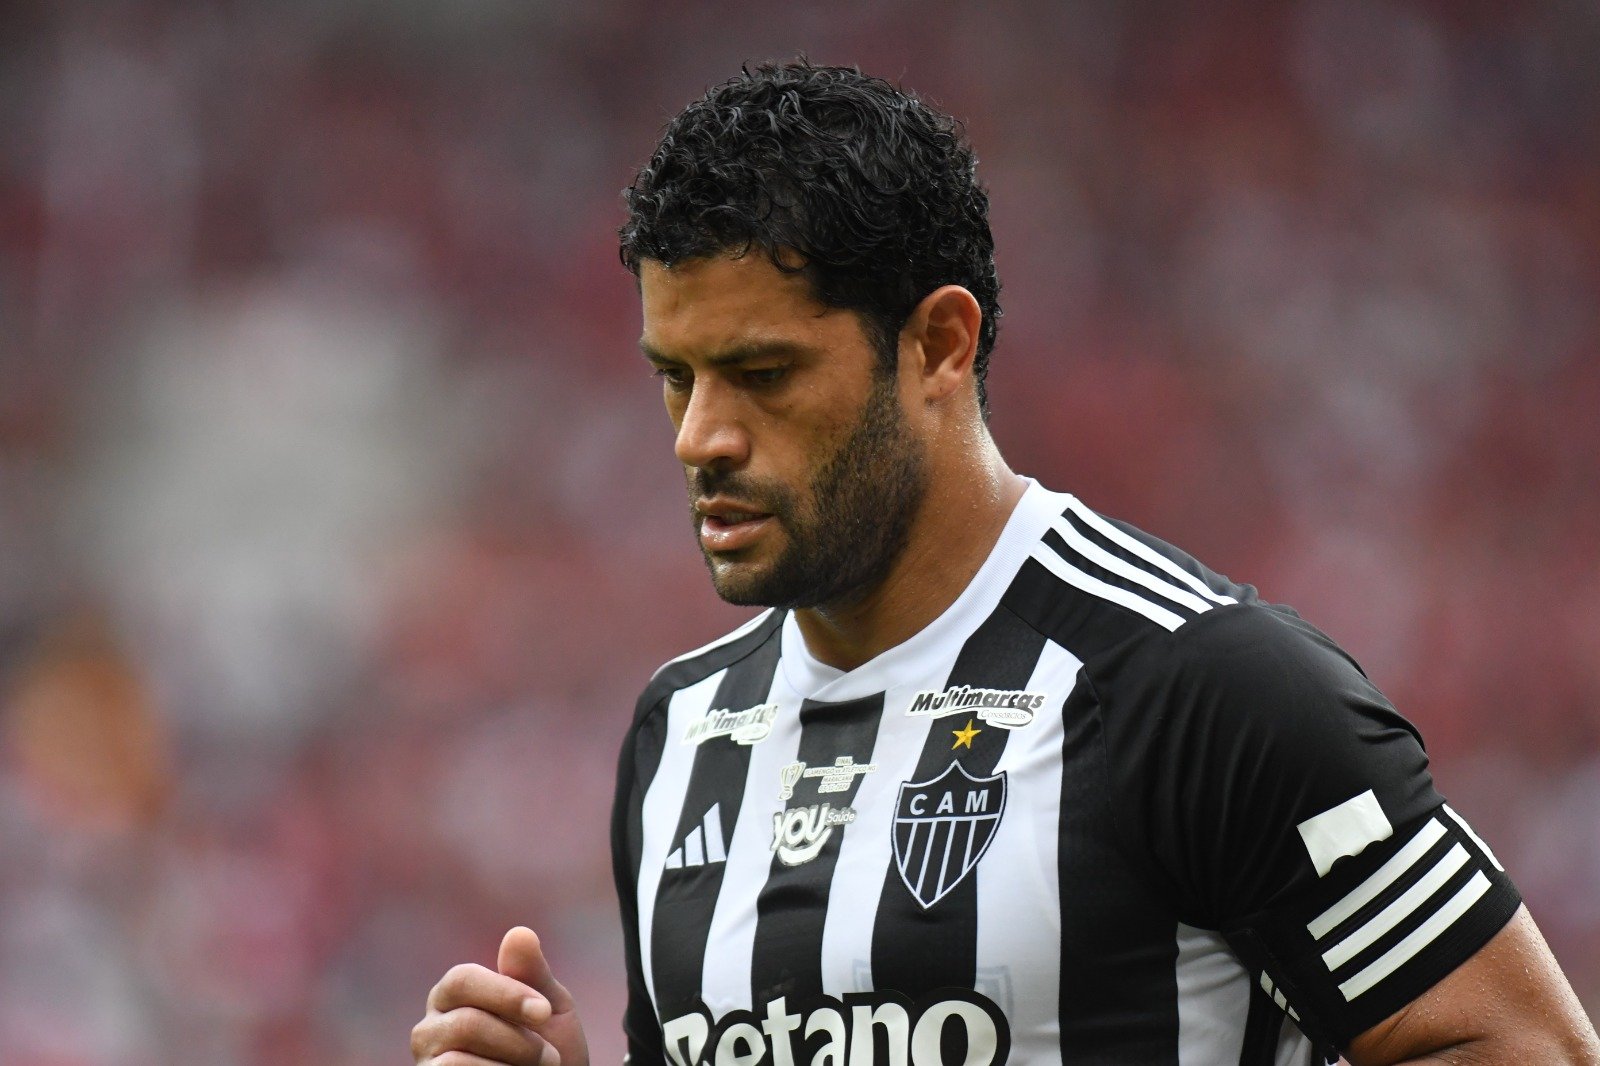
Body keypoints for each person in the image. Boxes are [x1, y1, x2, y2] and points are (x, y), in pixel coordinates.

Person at [411, 61, 1600, 1066]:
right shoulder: (680, 735)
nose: (697, 436)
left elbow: (1521, 1046)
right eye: (675, 375)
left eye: (761, 374)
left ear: (938, 342)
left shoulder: (1200, 687)